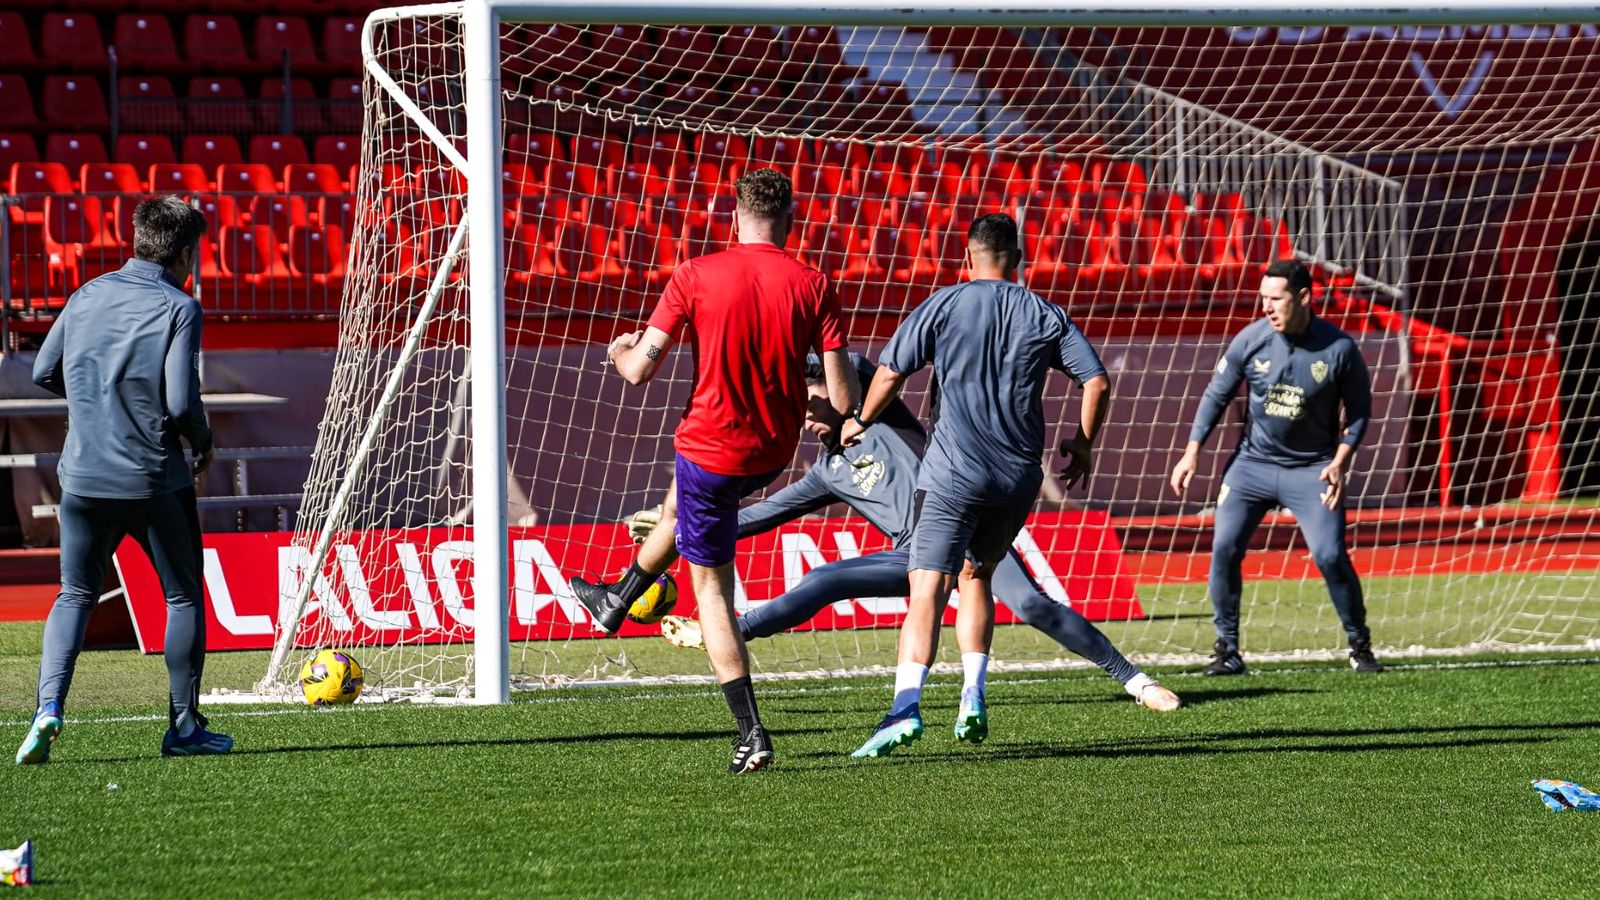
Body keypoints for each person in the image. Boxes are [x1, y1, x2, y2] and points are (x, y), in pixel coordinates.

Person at [648, 353, 1179, 714]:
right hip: (917, 558)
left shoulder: (883, 416)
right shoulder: (825, 474)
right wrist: (678, 529)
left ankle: (1137, 681)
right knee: (826, 578)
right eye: (796, 414)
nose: (806, 419)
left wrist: (813, 369)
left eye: (809, 404)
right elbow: (754, 519)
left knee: (1034, 608)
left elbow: (855, 364)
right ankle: (734, 629)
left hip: (969, 533)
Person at [568, 168, 858, 774]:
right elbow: (840, 394)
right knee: (680, 509)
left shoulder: (695, 274)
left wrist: (621, 349)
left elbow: (638, 372)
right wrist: (824, 412)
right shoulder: (813, 282)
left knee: (712, 592)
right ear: (790, 222)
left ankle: (752, 732)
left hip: (711, 447)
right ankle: (616, 599)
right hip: (771, 453)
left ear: (735, 219)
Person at [838, 213, 1112, 758]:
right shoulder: (1043, 312)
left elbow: (891, 373)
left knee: (927, 589)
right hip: (1015, 481)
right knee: (976, 574)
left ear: (967, 259)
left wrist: (861, 419)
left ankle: (904, 709)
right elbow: (1097, 379)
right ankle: (972, 696)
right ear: (1018, 259)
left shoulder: (944, 303)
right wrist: (1082, 444)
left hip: (953, 475)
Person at [16, 196, 231, 765]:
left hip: (83, 478)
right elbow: (182, 402)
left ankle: (46, 710)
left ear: (136, 239)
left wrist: (94, 405)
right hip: (153, 480)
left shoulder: (87, 293)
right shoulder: (179, 306)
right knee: (182, 595)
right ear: (186, 253)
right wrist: (204, 442)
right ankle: (183, 728)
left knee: (74, 593)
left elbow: (42, 370)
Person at [1169, 258, 1382, 676]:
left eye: (1275, 298)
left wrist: (1341, 460)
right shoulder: (1250, 340)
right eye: (1262, 298)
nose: (1266, 307)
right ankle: (1227, 650)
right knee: (1224, 548)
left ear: (1303, 297)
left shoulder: (1338, 349)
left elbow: (1359, 411)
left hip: (1313, 469)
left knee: (1329, 555)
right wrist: (1192, 450)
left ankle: (1359, 644)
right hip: (1252, 466)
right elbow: (1216, 395)